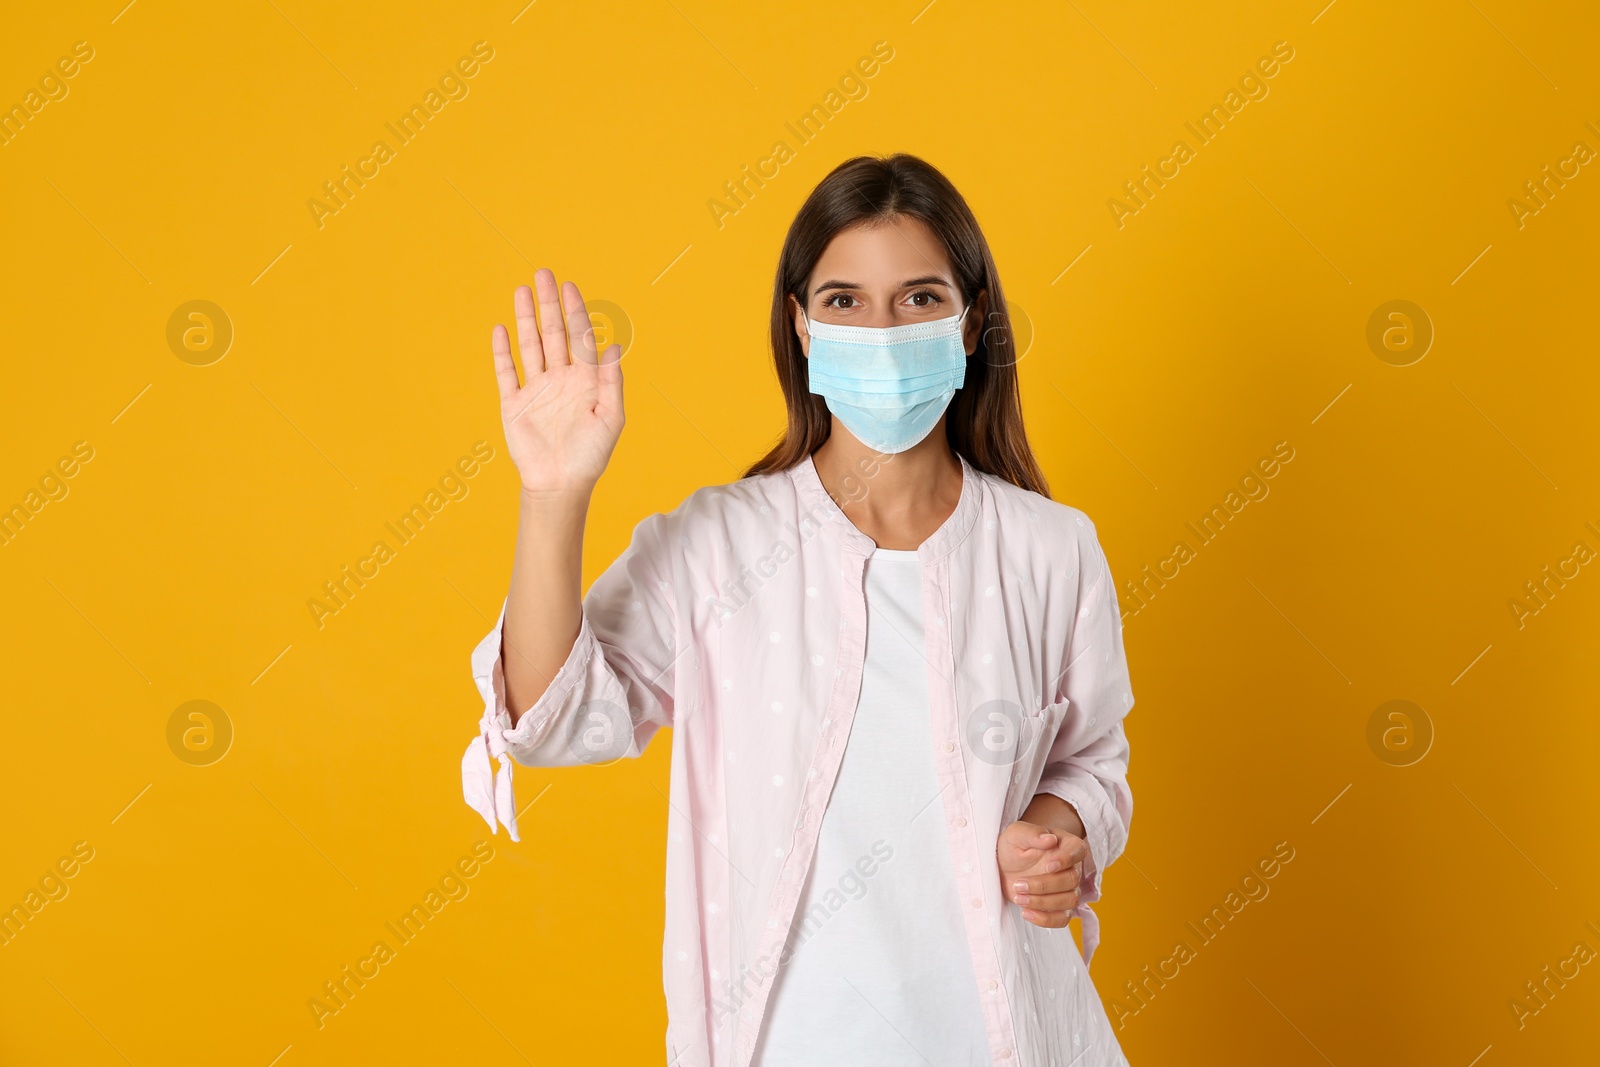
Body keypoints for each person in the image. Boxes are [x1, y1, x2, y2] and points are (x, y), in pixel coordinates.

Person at [461, 153, 1135, 1066]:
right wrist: (552, 494)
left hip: (1011, 1037)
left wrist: (1058, 832)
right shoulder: (718, 547)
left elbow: (1093, 760)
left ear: (970, 322)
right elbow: (551, 718)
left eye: (920, 298)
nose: (883, 327)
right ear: (802, 326)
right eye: (846, 300)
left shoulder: (1052, 549)